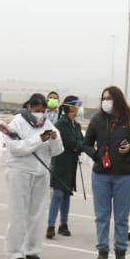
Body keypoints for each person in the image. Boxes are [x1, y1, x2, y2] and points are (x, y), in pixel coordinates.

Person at [83, 85, 130, 259]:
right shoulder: (97, 120)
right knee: (102, 215)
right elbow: (85, 144)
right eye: (103, 98)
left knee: (122, 217)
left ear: (117, 99)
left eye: (108, 98)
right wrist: (97, 155)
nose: (105, 102)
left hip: (124, 175)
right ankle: (102, 251)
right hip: (101, 174)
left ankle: (120, 253)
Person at [1, 93, 64, 259]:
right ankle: (15, 251)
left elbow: (58, 151)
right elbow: (16, 148)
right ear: (29, 106)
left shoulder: (47, 123)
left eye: (43, 110)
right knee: (18, 212)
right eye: (37, 109)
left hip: (41, 173)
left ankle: (32, 249)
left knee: (37, 213)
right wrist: (39, 139)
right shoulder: (17, 122)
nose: (40, 113)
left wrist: (54, 138)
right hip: (19, 172)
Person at [46, 96, 84, 239]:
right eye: (76, 105)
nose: (79, 107)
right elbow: (70, 142)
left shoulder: (77, 125)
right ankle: (51, 225)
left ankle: (64, 224)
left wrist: (79, 146)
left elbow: (81, 141)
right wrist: (78, 146)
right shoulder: (61, 124)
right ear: (69, 107)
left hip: (72, 163)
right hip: (61, 162)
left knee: (67, 194)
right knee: (58, 194)